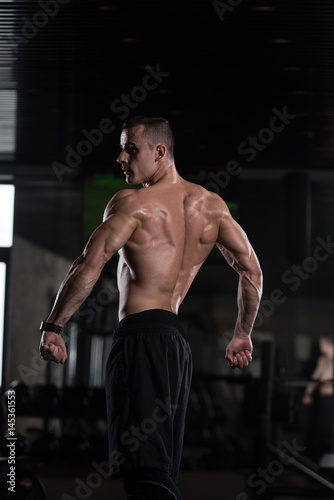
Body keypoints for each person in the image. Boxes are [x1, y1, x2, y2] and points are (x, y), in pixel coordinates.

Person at [39, 115, 263, 499]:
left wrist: (54, 326)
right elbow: (253, 271)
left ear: (160, 152)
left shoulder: (131, 203)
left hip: (139, 338)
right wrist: (242, 333)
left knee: (141, 468)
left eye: (130, 148)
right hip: (176, 343)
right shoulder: (212, 207)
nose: (121, 157)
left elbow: (88, 265)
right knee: (158, 465)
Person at [302, 334, 334, 461]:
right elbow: (315, 378)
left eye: (322, 343)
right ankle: (322, 460)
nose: (320, 346)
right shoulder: (322, 360)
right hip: (324, 400)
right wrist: (307, 393)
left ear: (328, 344)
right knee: (323, 429)